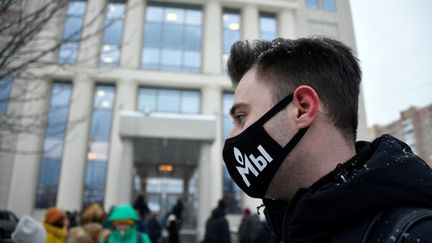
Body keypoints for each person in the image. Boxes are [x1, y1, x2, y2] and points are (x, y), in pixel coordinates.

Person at [223, 37, 432, 242]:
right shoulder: (290, 228)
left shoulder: (416, 234)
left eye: (241, 117)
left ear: (302, 109)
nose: (232, 135)